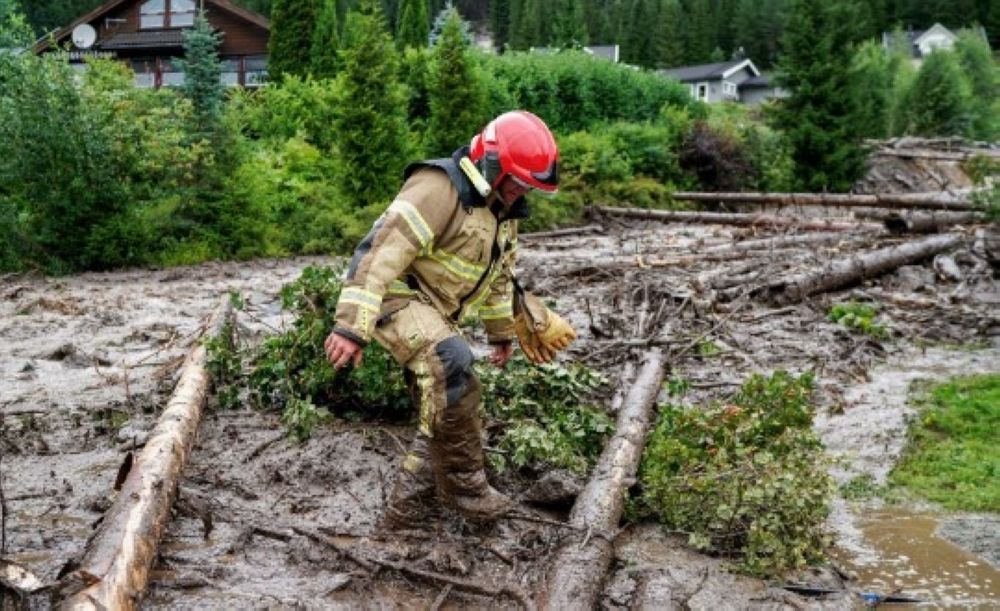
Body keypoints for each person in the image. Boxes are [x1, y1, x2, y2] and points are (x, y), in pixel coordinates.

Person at [323, 110, 577, 529]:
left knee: (453, 395)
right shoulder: (437, 189)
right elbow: (377, 253)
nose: (519, 193)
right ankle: (455, 493)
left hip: (435, 311)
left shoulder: (501, 211)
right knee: (452, 362)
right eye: (516, 181)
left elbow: (499, 276)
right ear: (491, 164)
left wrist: (501, 333)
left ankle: (423, 505)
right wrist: (351, 326)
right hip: (395, 297)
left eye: (527, 187)